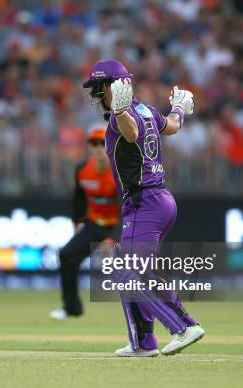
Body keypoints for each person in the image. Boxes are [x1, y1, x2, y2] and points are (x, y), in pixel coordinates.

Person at [82, 59, 205, 357]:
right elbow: (172, 126)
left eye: (98, 88)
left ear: (111, 87)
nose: (95, 96)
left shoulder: (120, 116)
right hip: (159, 200)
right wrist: (178, 108)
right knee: (131, 269)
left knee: (127, 272)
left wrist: (120, 111)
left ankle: (183, 325)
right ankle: (143, 342)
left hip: (144, 202)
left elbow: (131, 134)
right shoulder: (148, 110)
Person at [50, 128, 120, 321]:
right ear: (89, 147)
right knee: (66, 255)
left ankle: (150, 312)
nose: (98, 148)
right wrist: (77, 224)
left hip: (120, 225)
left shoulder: (119, 171)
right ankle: (72, 308)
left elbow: (127, 206)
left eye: (102, 143)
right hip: (94, 224)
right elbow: (79, 200)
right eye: (94, 144)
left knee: (135, 267)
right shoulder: (82, 170)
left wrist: (111, 238)